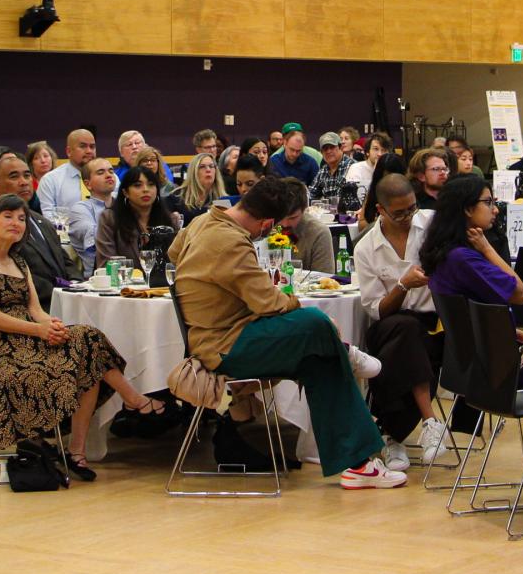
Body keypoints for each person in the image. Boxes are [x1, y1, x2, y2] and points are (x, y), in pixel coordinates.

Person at [170, 175, 400, 488]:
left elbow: (174, 252)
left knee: (320, 359)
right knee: (316, 322)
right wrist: (293, 303)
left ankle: (359, 464)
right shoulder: (231, 243)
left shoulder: (202, 221)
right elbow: (268, 304)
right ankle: (344, 349)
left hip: (225, 334)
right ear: (266, 223)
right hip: (226, 346)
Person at [0, 194, 157, 480]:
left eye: (21, 218)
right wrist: (38, 329)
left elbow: (34, 309)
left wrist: (52, 325)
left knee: (86, 341)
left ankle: (78, 449)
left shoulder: (17, 260)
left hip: (29, 337)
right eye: (8, 216)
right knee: (87, 355)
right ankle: (133, 401)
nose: (16, 223)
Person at [353, 172, 449, 471]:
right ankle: (430, 421)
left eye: (412, 208)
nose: (408, 216)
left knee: (407, 345)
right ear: (380, 210)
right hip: (389, 324)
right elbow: (377, 310)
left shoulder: (431, 225)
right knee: (404, 331)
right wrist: (403, 285)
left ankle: (391, 436)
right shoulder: (366, 248)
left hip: (433, 324)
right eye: (399, 213)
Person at [419, 175, 523, 378]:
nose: (495, 209)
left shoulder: (445, 252)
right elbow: (521, 294)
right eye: (488, 202)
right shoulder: (465, 259)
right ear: (467, 209)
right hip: (500, 367)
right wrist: (487, 249)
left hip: (472, 363)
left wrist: (515, 333)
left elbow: (470, 320)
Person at [0, 151, 80, 302]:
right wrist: (60, 291)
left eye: (27, 175)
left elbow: (65, 261)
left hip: (64, 299)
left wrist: (76, 284)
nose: (24, 182)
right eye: (14, 176)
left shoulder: (41, 220)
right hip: (29, 305)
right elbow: (9, 270)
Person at [95, 166, 182, 265]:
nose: (145, 190)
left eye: (151, 185)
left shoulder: (170, 220)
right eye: (137, 185)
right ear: (125, 192)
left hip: (163, 280)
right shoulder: (109, 218)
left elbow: (179, 260)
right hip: (123, 279)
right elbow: (107, 263)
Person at [66, 157, 119, 270]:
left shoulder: (124, 204)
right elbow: (99, 238)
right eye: (101, 172)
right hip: (98, 275)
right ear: (88, 184)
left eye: (111, 171)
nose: (108, 175)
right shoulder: (80, 209)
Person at [37, 129, 101, 218]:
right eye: (83, 146)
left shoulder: (110, 177)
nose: (89, 151)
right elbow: (47, 216)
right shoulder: (50, 180)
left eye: (92, 147)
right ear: (69, 151)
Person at [177, 152, 222, 223]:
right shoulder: (177, 197)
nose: (208, 170)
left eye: (211, 166)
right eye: (202, 167)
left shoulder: (222, 198)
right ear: (193, 172)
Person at [311, 132, 352, 204]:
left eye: (332, 147)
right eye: (325, 149)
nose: (329, 151)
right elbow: (311, 193)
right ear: (321, 152)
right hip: (327, 213)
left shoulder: (351, 166)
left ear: (340, 147)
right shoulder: (323, 170)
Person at [345, 131, 389, 197]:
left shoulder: (389, 169)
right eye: (376, 149)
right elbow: (354, 197)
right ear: (368, 152)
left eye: (383, 150)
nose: (380, 154)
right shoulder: (356, 168)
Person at [407, 146, 450, 210]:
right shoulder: (413, 203)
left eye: (444, 169)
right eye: (436, 169)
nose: (443, 172)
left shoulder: (451, 198)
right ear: (421, 176)